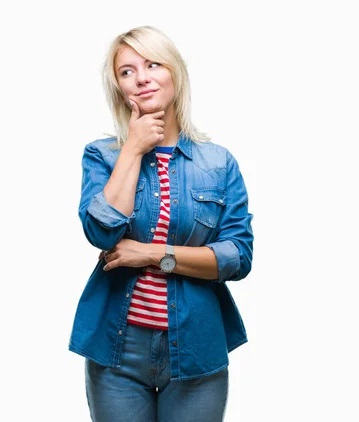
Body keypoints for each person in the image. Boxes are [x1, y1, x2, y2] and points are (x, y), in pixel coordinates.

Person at [68, 25, 254, 422]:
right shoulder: (103, 156)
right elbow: (101, 231)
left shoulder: (218, 163)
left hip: (196, 346)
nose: (142, 77)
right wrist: (133, 147)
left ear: (175, 73)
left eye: (152, 63)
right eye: (127, 71)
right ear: (119, 88)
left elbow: (237, 257)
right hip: (118, 350)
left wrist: (152, 254)